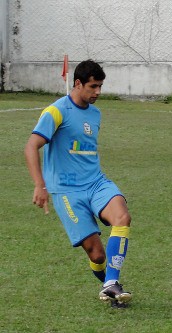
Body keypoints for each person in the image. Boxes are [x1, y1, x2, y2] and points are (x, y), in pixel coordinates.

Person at [24, 59, 133, 307]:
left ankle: (112, 283)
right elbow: (31, 146)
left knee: (122, 218)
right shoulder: (56, 111)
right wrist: (39, 185)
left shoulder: (95, 114)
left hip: (96, 182)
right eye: (93, 86)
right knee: (97, 254)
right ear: (77, 83)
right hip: (66, 191)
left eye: (100, 87)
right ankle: (109, 285)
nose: (97, 92)